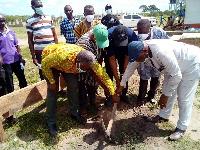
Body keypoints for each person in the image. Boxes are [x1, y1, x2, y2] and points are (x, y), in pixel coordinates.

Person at [116, 39, 200, 141]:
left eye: (138, 59)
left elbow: (177, 75)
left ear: (145, 52)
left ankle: (181, 128)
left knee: (183, 98)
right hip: (172, 68)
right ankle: (164, 115)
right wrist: (121, 84)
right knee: (167, 89)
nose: (137, 61)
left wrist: (165, 96)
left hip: (191, 64)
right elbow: (131, 67)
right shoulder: (140, 51)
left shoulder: (161, 52)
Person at [41, 43, 120, 136]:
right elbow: (45, 64)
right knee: (53, 91)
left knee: (74, 85)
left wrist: (112, 93)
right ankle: (50, 121)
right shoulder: (61, 56)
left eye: (87, 69)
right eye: (84, 68)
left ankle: (74, 113)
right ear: (78, 61)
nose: (85, 71)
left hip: (68, 66)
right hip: (50, 62)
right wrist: (52, 82)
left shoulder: (89, 60)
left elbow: (103, 76)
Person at [75, 24, 109, 115]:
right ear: (93, 37)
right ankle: (83, 106)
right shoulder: (84, 43)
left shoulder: (101, 35)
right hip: (82, 66)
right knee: (81, 85)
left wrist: (99, 66)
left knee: (92, 84)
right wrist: (105, 86)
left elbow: (101, 52)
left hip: (94, 63)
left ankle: (92, 100)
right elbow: (83, 63)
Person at [0, 15, 28, 123]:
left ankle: (25, 99)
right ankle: (11, 108)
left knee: (22, 79)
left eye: (3, 20)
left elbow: (17, 45)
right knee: (9, 85)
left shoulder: (10, 31)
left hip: (16, 60)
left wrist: (21, 58)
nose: (2, 23)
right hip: (5, 63)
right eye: (0, 21)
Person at [137, 19, 169, 105]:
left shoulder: (159, 32)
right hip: (144, 61)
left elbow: (168, 44)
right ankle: (141, 98)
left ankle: (151, 96)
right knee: (144, 78)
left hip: (157, 60)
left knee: (155, 77)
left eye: (144, 32)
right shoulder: (137, 36)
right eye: (140, 32)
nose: (142, 34)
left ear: (149, 28)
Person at [104, 25, 138, 106]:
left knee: (125, 72)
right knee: (109, 73)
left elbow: (127, 57)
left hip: (125, 52)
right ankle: (109, 95)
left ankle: (123, 94)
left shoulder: (132, 37)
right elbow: (111, 59)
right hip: (112, 50)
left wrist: (123, 77)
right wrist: (117, 80)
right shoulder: (108, 36)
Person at [26, 0, 58, 80]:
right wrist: (33, 57)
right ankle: (46, 90)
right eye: (37, 6)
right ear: (32, 7)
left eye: (41, 6)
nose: (40, 8)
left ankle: (58, 89)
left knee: (55, 69)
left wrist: (57, 49)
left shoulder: (49, 18)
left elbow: (54, 35)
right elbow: (30, 40)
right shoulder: (29, 21)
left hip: (51, 51)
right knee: (43, 72)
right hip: (40, 53)